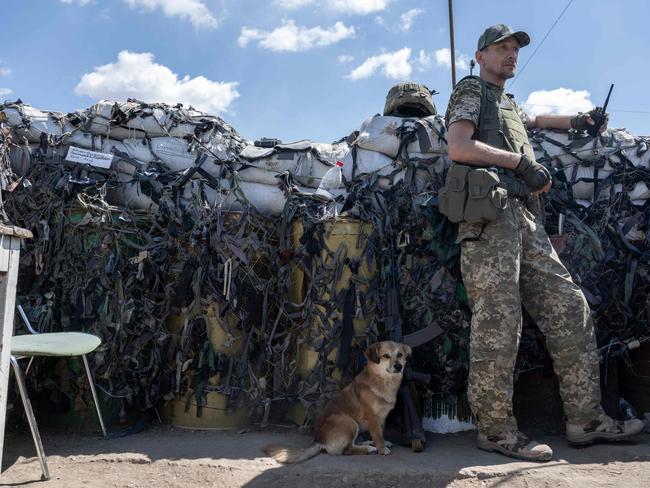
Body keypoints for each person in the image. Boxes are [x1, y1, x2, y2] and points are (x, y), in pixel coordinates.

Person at [443, 24, 644, 462]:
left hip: (523, 218)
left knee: (570, 307)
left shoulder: (506, 103)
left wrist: (580, 121)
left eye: (514, 49)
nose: (510, 54)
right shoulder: (471, 90)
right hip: (488, 217)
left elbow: (531, 121)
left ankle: (585, 420)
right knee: (500, 320)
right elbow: (458, 146)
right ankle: (496, 431)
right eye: (501, 48)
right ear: (480, 56)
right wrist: (519, 162)